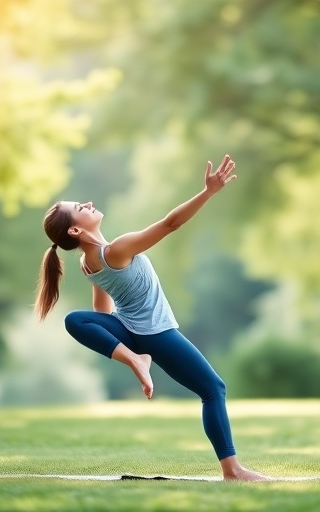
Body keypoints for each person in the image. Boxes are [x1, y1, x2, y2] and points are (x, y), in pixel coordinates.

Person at [34, 155, 271, 482]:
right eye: (80, 207)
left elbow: (101, 316)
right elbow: (171, 223)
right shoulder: (117, 249)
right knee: (214, 390)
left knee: (76, 320)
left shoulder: (88, 263)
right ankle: (233, 470)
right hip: (155, 334)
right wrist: (208, 192)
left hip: (131, 333)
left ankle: (136, 358)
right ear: (75, 229)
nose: (88, 203)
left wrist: (120, 346)